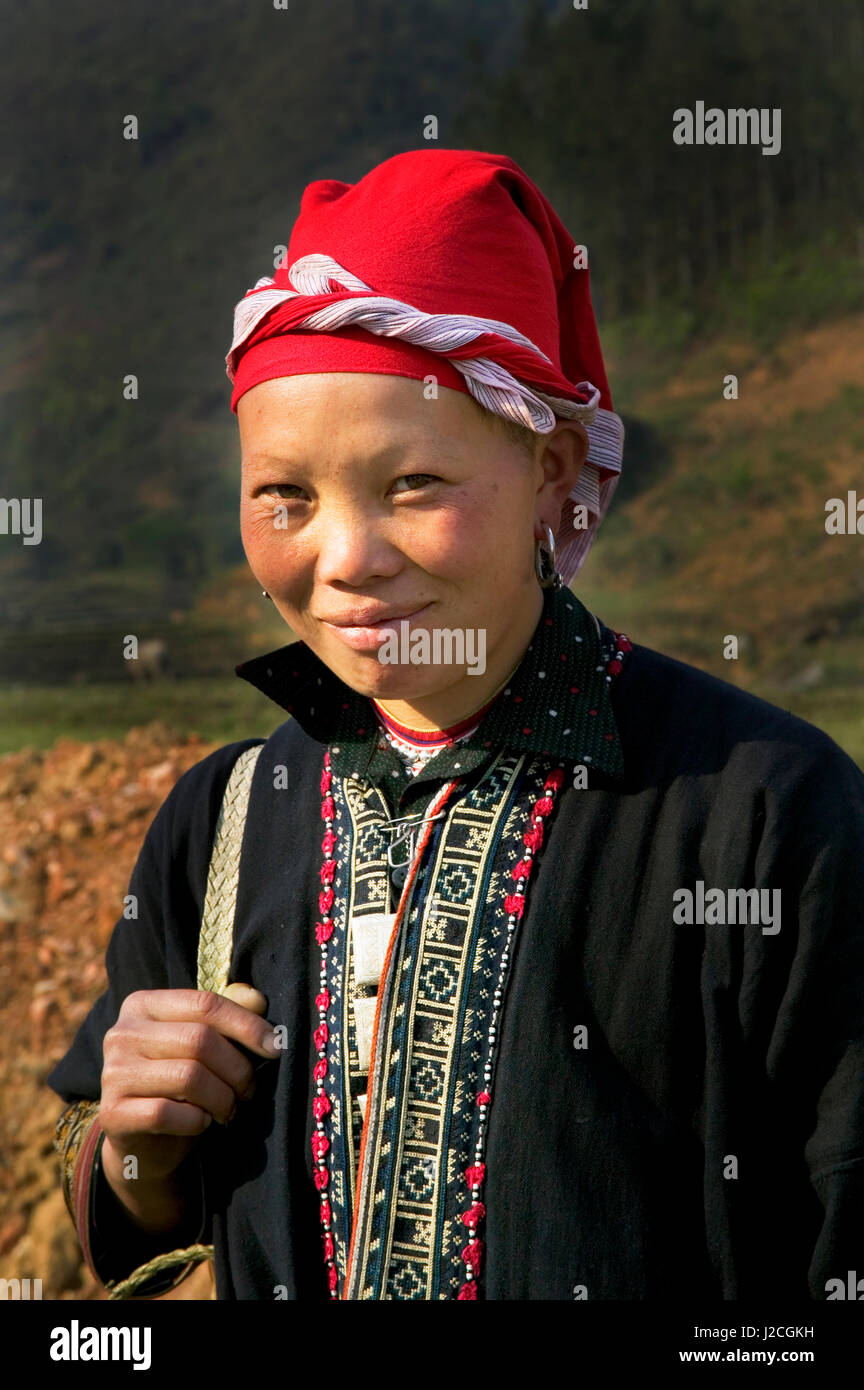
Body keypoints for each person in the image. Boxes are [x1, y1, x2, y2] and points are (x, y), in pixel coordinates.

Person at [47, 149, 864, 1302]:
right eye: (287, 496)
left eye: (413, 486)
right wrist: (139, 1149)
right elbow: (140, 1225)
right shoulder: (224, 821)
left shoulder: (763, 815)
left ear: (551, 471)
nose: (346, 561)